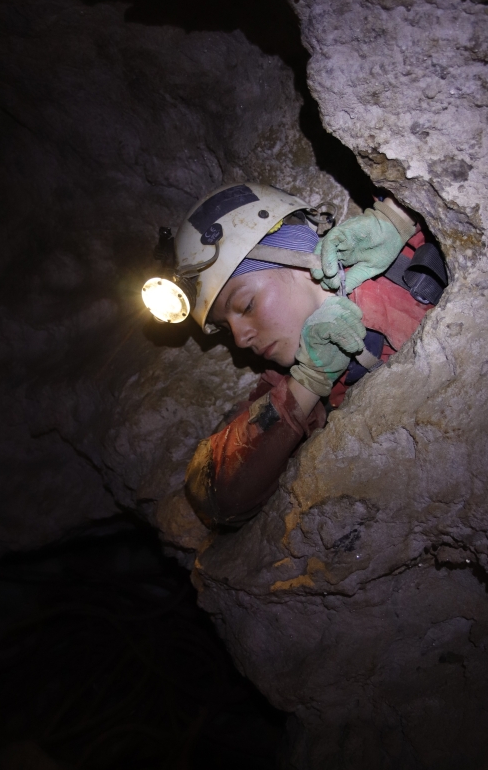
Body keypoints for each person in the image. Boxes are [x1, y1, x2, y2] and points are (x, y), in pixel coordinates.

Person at [150, 182, 446, 529]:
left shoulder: (402, 245)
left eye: (245, 305)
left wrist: (396, 215)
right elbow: (217, 494)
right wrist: (309, 381)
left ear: (294, 256)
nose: (241, 339)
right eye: (227, 329)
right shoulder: (292, 389)